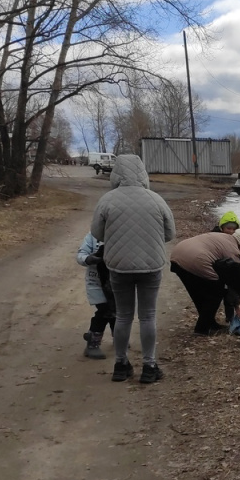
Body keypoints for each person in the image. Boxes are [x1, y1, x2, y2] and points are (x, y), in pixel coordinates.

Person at [91, 154, 175, 384]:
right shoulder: (156, 199)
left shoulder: (107, 200)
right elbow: (170, 234)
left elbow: (97, 233)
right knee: (147, 315)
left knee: (124, 316)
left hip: (118, 266)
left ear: (116, 173)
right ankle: (149, 366)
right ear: (142, 173)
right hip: (151, 265)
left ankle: (120, 365)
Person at [170, 228, 240, 335]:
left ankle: (209, 323)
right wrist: (236, 306)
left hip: (177, 254)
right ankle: (202, 329)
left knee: (198, 293)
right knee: (216, 292)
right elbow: (233, 284)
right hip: (195, 260)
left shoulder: (221, 236)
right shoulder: (234, 253)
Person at [76, 231, 116, 359]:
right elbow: (81, 254)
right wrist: (88, 259)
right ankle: (92, 343)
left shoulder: (122, 234)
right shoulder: (92, 237)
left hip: (117, 281)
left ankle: (120, 337)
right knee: (104, 310)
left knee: (117, 310)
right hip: (96, 281)